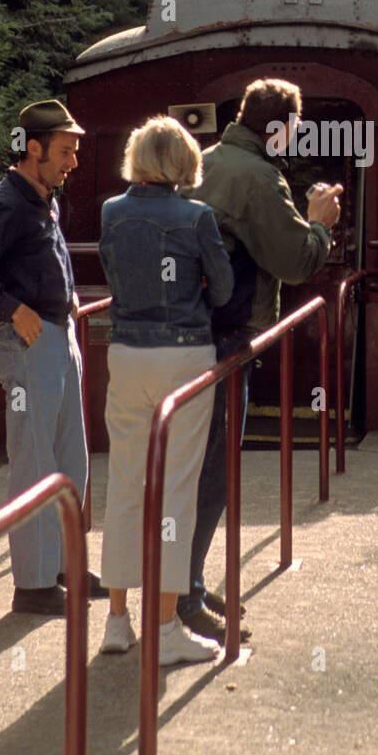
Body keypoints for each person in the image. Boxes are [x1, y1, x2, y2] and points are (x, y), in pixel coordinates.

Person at [178, 77, 342, 642]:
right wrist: (319, 221)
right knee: (212, 474)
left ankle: (187, 583)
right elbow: (295, 262)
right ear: (276, 128)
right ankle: (183, 599)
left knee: (187, 468)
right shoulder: (259, 178)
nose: (296, 142)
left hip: (183, 334)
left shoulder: (205, 160)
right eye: (294, 132)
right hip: (225, 341)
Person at [0, 99, 105, 616]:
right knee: (35, 461)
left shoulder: (44, 197)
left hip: (58, 336)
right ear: (32, 148)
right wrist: (13, 309)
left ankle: (64, 565)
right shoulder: (5, 204)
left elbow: (50, 256)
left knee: (70, 457)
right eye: (64, 152)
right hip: (28, 345)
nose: (72, 163)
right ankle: (34, 586)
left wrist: (69, 295)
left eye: (74, 152)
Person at [97, 116, 234, 664]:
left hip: (126, 353)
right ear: (183, 163)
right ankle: (166, 631)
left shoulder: (110, 212)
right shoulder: (197, 217)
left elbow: (114, 274)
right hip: (183, 356)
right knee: (176, 491)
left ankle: (116, 620)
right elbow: (222, 290)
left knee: (125, 485)